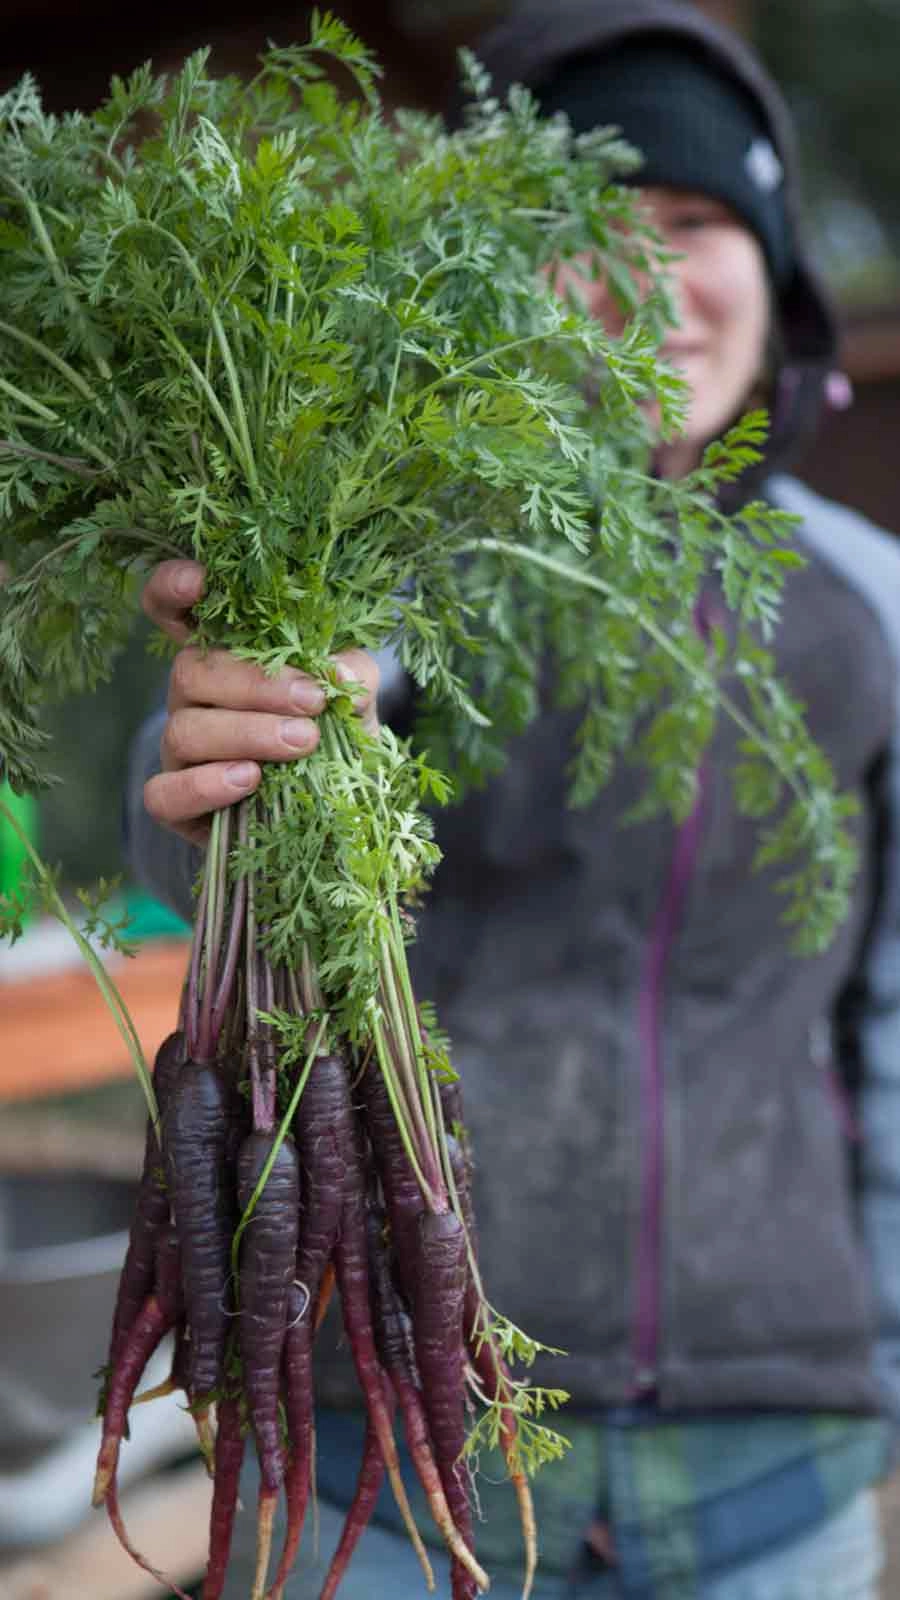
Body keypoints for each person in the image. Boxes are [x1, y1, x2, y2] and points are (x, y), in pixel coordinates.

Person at [125, 3, 900, 1595]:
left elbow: (892, 1031)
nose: (649, 278)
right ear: (494, 284)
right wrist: (227, 763)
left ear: (771, 255)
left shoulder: (871, 606)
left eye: (694, 222)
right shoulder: (376, 588)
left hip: (777, 1460)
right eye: (582, 229)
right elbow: (209, 857)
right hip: (379, 1452)